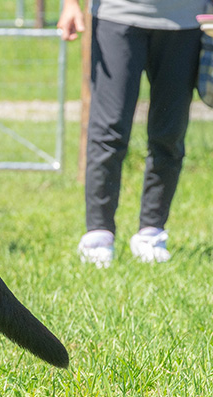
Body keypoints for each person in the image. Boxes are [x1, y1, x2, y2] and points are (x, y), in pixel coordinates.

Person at [58, 0, 206, 267]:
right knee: (109, 131)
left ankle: (152, 232)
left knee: (169, 134)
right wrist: (70, 4)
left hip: (186, 21)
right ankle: (98, 236)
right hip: (117, 15)